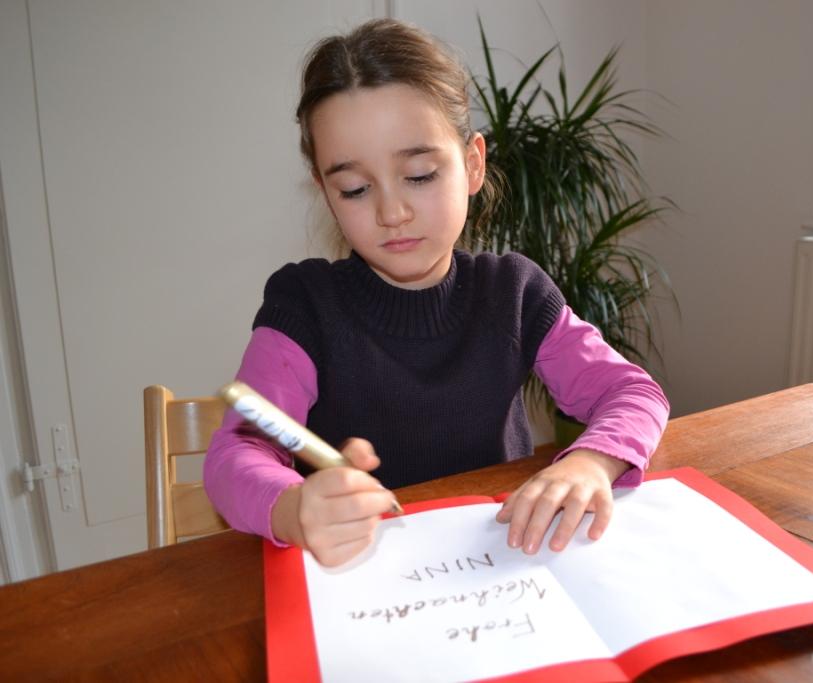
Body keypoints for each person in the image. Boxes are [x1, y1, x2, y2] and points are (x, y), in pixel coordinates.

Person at [204, 18, 669, 568]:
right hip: (365, 578)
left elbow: (632, 393)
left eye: (420, 175)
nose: (392, 212)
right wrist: (292, 507)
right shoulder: (303, 304)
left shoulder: (514, 292)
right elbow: (236, 453)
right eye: (354, 188)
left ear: (473, 164)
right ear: (325, 191)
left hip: (499, 563)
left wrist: (591, 462)